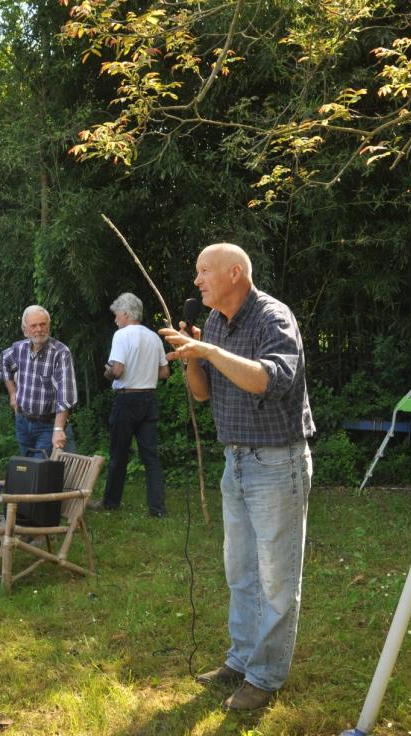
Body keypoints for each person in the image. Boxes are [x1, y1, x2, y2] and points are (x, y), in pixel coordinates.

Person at [160, 243, 314, 711]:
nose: (197, 280)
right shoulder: (213, 323)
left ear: (234, 273)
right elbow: (203, 395)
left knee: (275, 578)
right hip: (237, 462)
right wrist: (192, 357)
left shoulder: (272, 316)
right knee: (241, 570)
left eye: (203, 271)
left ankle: (265, 677)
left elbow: (270, 379)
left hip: (276, 462)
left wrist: (209, 349)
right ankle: (241, 659)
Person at [92, 293, 170, 517]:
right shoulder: (154, 337)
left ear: (126, 314)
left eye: (117, 315)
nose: (116, 319)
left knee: (119, 453)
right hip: (149, 400)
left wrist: (107, 372)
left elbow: (117, 371)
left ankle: (110, 502)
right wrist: (144, 371)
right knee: (151, 456)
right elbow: (165, 372)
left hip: (127, 401)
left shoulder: (121, 335)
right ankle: (157, 509)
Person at [0, 305, 77, 457]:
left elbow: (65, 395)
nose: (39, 329)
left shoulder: (60, 353)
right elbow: (4, 362)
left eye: (43, 324)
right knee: (28, 468)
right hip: (22, 421)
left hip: (47, 425)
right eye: (33, 326)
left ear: (49, 325)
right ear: (25, 330)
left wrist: (58, 429)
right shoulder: (18, 349)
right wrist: (12, 393)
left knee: (39, 471)